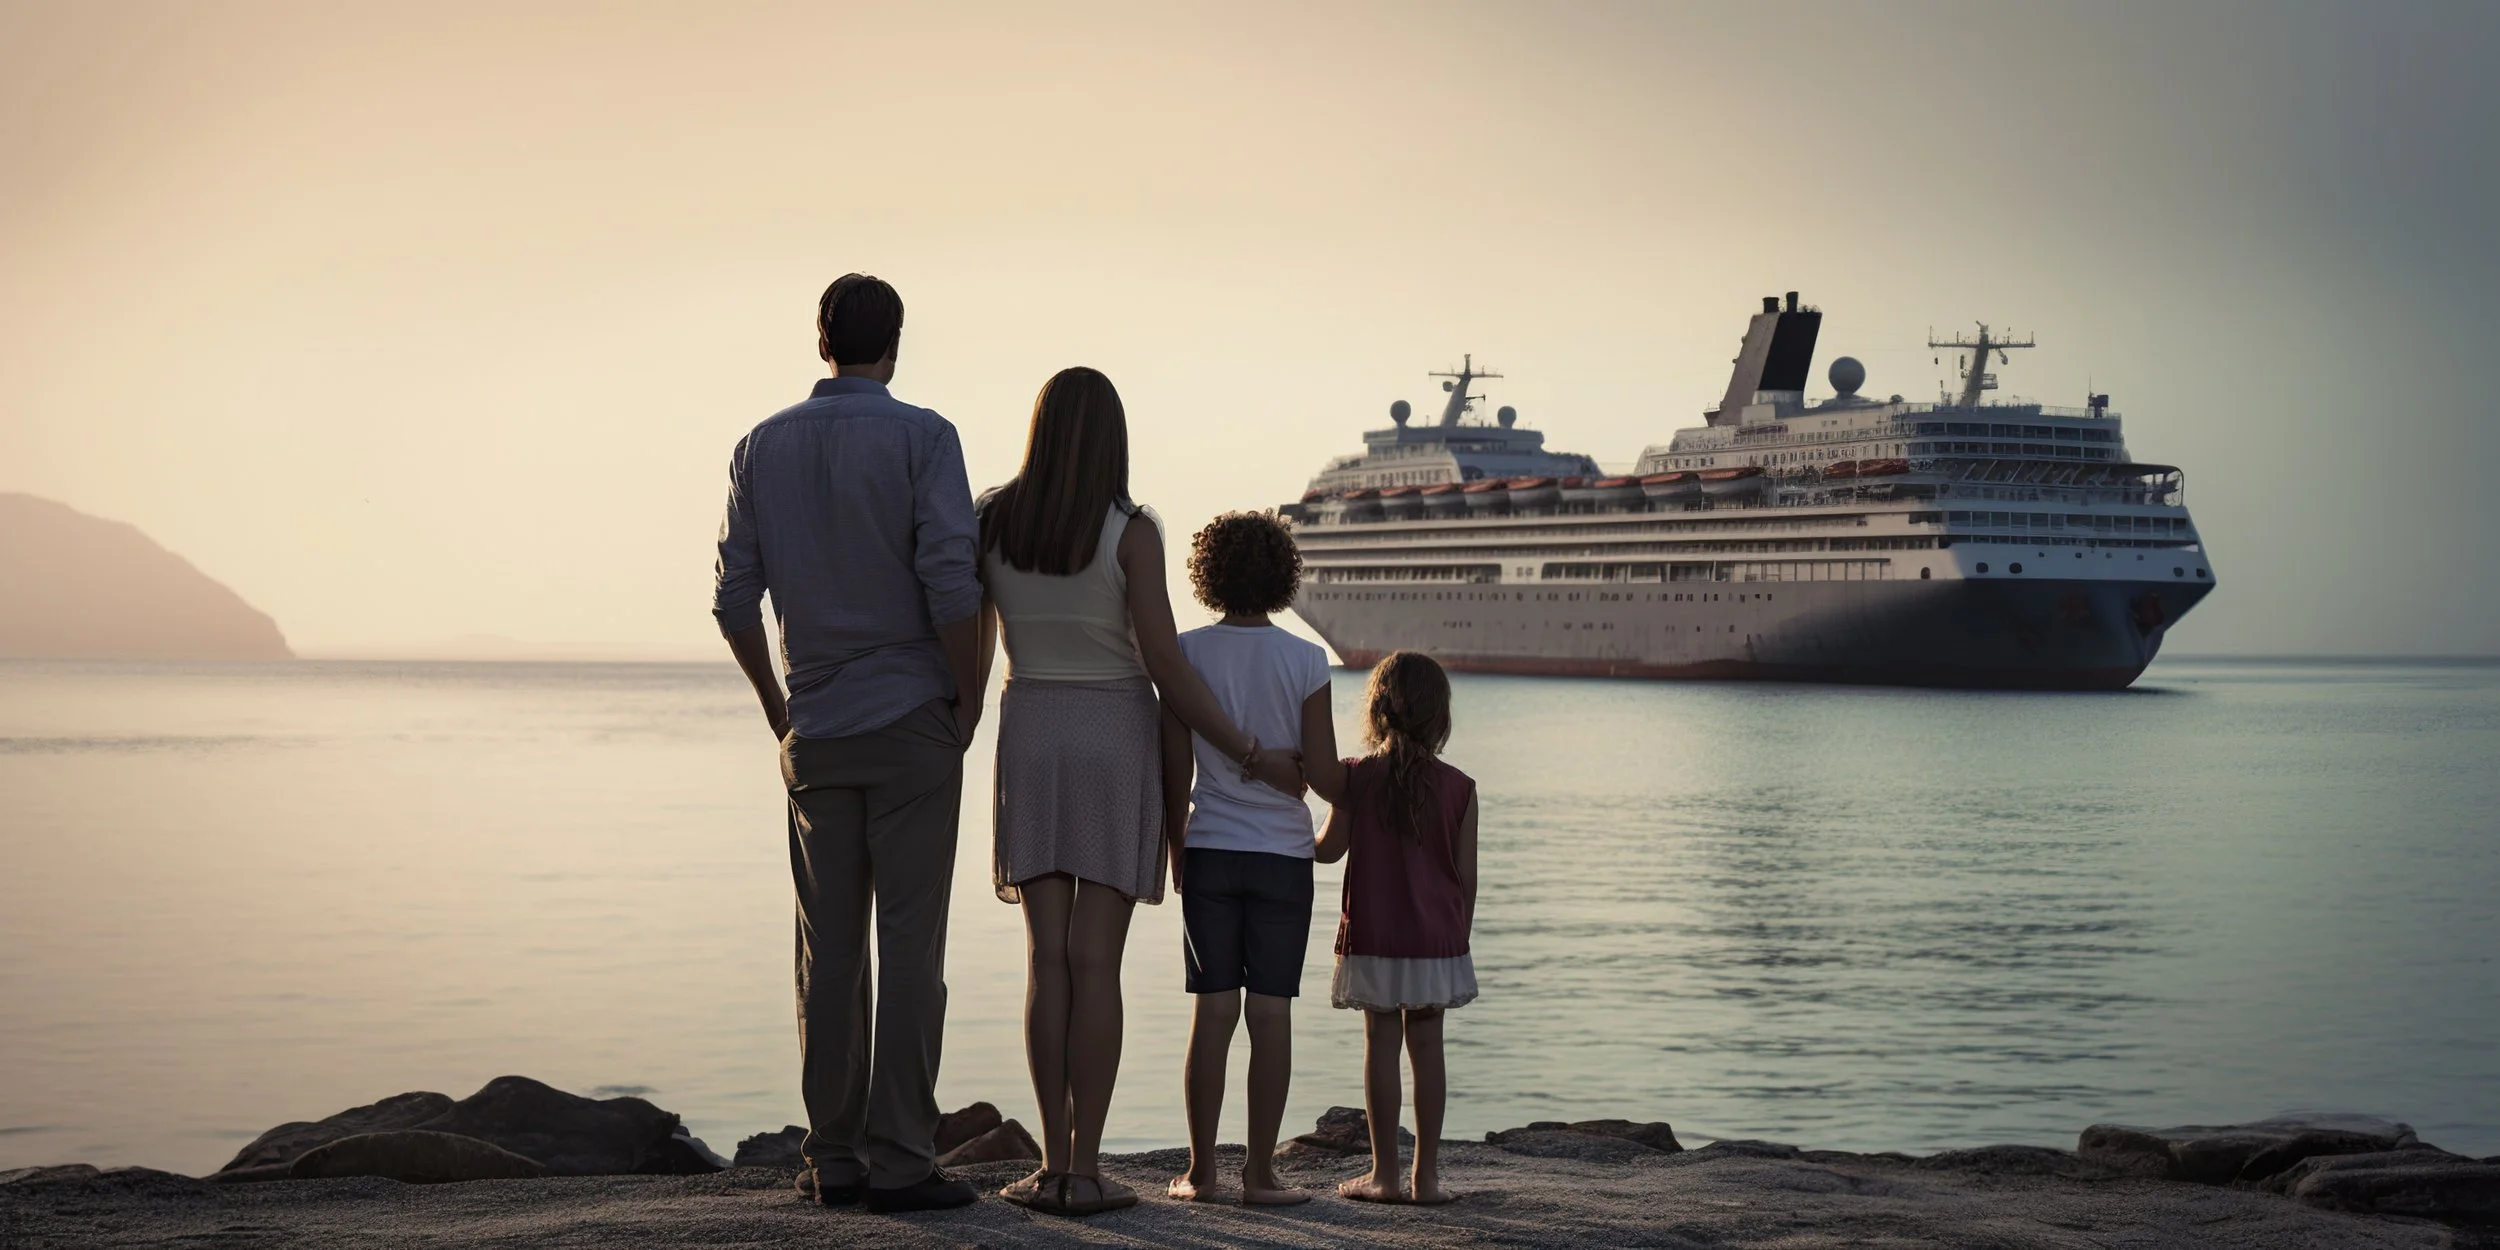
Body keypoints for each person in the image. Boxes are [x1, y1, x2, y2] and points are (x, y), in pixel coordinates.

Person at [976, 367, 1304, 1217]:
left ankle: (1048, 1166)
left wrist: (954, 730)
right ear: (1113, 436)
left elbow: (975, 652)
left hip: (1032, 728)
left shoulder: (991, 520)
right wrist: (1241, 746)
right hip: (1114, 732)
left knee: (1046, 963)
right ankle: (1086, 1171)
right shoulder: (1132, 530)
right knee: (1097, 962)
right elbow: (1163, 662)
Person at [712, 273, 982, 1214]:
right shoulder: (925, 438)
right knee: (911, 946)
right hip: (912, 716)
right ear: (895, 341)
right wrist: (970, 695)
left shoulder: (760, 446)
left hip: (816, 725)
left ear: (820, 339)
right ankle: (904, 1157)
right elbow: (953, 582)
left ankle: (833, 1156)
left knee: (829, 951)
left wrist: (775, 705)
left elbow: (731, 599)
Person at [1159, 512, 1336, 1206]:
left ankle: (1200, 1175)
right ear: (1282, 575)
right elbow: (1319, 773)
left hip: (1210, 849)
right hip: (1283, 858)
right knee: (1270, 1016)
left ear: (1210, 577)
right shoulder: (1305, 660)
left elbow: (1176, 772)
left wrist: (1177, 850)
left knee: (1212, 1015)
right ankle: (1260, 1175)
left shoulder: (1185, 653)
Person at [1314, 650, 1478, 1206]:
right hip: (1437, 940)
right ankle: (1426, 1179)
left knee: (1380, 1045)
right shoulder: (1460, 788)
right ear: (1440, 717)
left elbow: (1327, 852)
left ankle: (1383, 1174)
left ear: (1377, 712)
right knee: (1428, 1049)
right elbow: (1466, 879)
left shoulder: (1357, 778)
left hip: (1376, 936)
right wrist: (1458, 941)